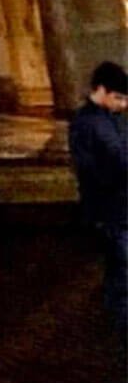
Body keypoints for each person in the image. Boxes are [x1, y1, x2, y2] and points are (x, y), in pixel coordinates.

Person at [68, 58, 128, 329]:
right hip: (110, 208)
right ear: (101, 90)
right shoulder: (87, 123)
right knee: (122, 264)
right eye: (118, 98)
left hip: (117, 205)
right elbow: (96, 169)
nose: (123, 105)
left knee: (119, 266)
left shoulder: (110, 118)